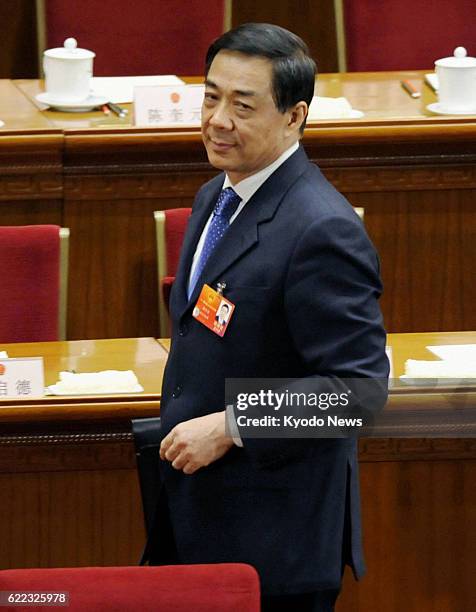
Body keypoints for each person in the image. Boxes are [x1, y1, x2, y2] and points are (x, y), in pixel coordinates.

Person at [154, 23, 389, 611]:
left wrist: (230, 424)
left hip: (274, 542)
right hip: (205, 518)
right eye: (210, 97)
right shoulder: (218, 195)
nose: (218, 120)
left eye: (242, 105)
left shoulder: (322, 228)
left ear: (294, 117)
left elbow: (357, 391)